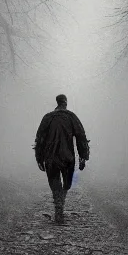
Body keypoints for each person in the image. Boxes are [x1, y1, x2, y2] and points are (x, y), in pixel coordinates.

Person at [34, 94, 90, 224]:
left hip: (50, 157)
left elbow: (40, 139)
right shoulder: (72, 117)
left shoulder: (47, 117)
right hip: (67, 157)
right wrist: (83, 157)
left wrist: (39, 157)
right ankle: (60, 208)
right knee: (67, 184)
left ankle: (58, 208)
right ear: (65, 103)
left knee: (55, 184)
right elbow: (81, 136)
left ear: (57, 103)